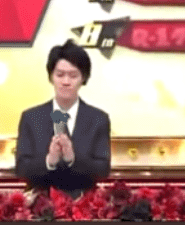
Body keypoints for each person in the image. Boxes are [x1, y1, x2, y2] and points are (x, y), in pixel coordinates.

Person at [15, 40, 112, 198]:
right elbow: (21, 169)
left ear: (83, 78)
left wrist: (73, 159)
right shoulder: (31, 118)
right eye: (60, 75)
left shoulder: (98, 119)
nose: (66, 82)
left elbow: (103, 169)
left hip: (83, 205)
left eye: (73, 76)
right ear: (51, 77)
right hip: (41, 205)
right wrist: (49, 161)